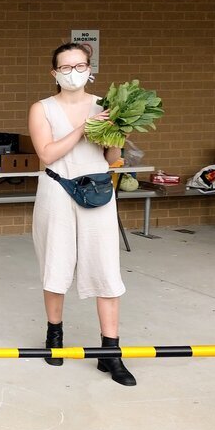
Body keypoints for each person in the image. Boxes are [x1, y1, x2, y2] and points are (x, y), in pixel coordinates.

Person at [28, 43, 135, 386]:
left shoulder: (107, 106)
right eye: (66, 67)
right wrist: (83, 129)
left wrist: (119, 134)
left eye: (80, 65)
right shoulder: (42, 109)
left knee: (105, 266)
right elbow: (46, 154)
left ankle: (110, 353)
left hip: (98, 190)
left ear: (90, 68)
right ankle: (54, 337)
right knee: (55, 262)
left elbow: (112, 158)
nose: (74, 72)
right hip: (57, 189)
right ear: (54, 73)